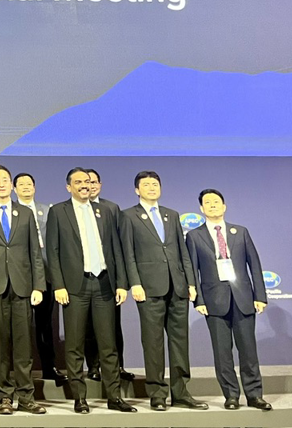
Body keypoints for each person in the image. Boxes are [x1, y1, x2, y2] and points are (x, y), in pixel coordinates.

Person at [45, 168, 136, 414]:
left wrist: (121, 283)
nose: (84, 185)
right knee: (75, 345)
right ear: (69, 187)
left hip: (104, 284)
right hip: (75, 287)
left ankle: (114, 397)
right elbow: (52, 251)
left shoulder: (105, 210)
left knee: (108, 344)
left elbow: (116, 249)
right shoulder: (58, 211)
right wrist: (59, 285)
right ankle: (79, 398)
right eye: (78, 182)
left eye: (87, 181)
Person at [121, 171, 207, 411]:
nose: (152, 187)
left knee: (180, 342)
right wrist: (135, 283)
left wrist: (190, 283)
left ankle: (181, 393)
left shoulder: (171, 214)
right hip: (149, 288)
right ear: (137, 190)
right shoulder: (128, 216)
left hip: (177, 287)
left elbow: (183, 252)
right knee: (153, 343)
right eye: (146, 184)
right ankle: (157, 394)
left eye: (155, 184)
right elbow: (128, 252)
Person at [186, 189, 271, 411]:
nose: (212, 205)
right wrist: (199, 300)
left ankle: (254, 395)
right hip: (213, 301)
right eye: (207, 202)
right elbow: (192, 270)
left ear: (224, 206)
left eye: (216, 201)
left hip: (243, 298)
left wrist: (260, 296)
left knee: (248, 351)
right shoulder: (194, 236)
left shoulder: (240, 232)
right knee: (222, 353)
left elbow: (254, 265)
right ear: (201, 209)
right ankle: (231, 395)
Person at [0, 166, 46, 415]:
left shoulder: (25, 212)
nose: (2, 183)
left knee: (24, 346)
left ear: (11, 185)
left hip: (22, 286)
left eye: (5, 179)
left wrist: (38, 285)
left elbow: (35, 251)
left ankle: (26, 396)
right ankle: (4, 396)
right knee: (0, 346)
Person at [13, 172, 65, 384]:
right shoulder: (11, 211)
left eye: (29, 184)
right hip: (20, 275)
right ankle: (20, 371)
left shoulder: (47, 210)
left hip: (46, 274)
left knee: (45, 325)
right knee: (19, 326)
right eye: (21, 184)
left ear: (34, 187)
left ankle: (48, 367)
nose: (26, 187)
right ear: (14, 189)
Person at [84, 168, 135, 382]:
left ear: (100, 185)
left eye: (94, 182)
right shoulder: (74, 209)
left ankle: (117, 366)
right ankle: (93, 366)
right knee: (89, 325)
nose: (91, 186)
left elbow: (120, 246)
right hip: (85, 278)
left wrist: (122, 281)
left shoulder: (111, 208)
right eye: (87, 182)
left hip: (109, 277)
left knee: (113, 325)